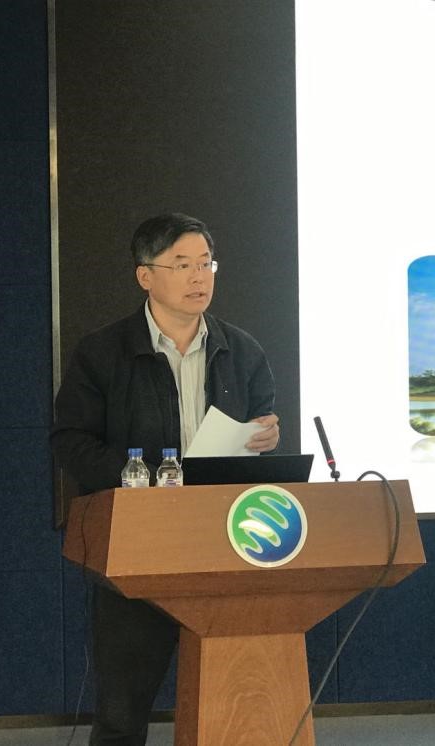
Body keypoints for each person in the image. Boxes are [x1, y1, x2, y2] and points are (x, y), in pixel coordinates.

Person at [51, 212, 280, 745]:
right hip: (139, 542)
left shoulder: (242, 350)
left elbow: (261, 424)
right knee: (123, 711)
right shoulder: (102, 352)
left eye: (206, 263)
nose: (199, 276)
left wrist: (266, 438)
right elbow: (70, 441)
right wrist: (145, 480)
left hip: (226, 541)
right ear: (145, 275)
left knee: (236, 699)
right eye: (182, 264)